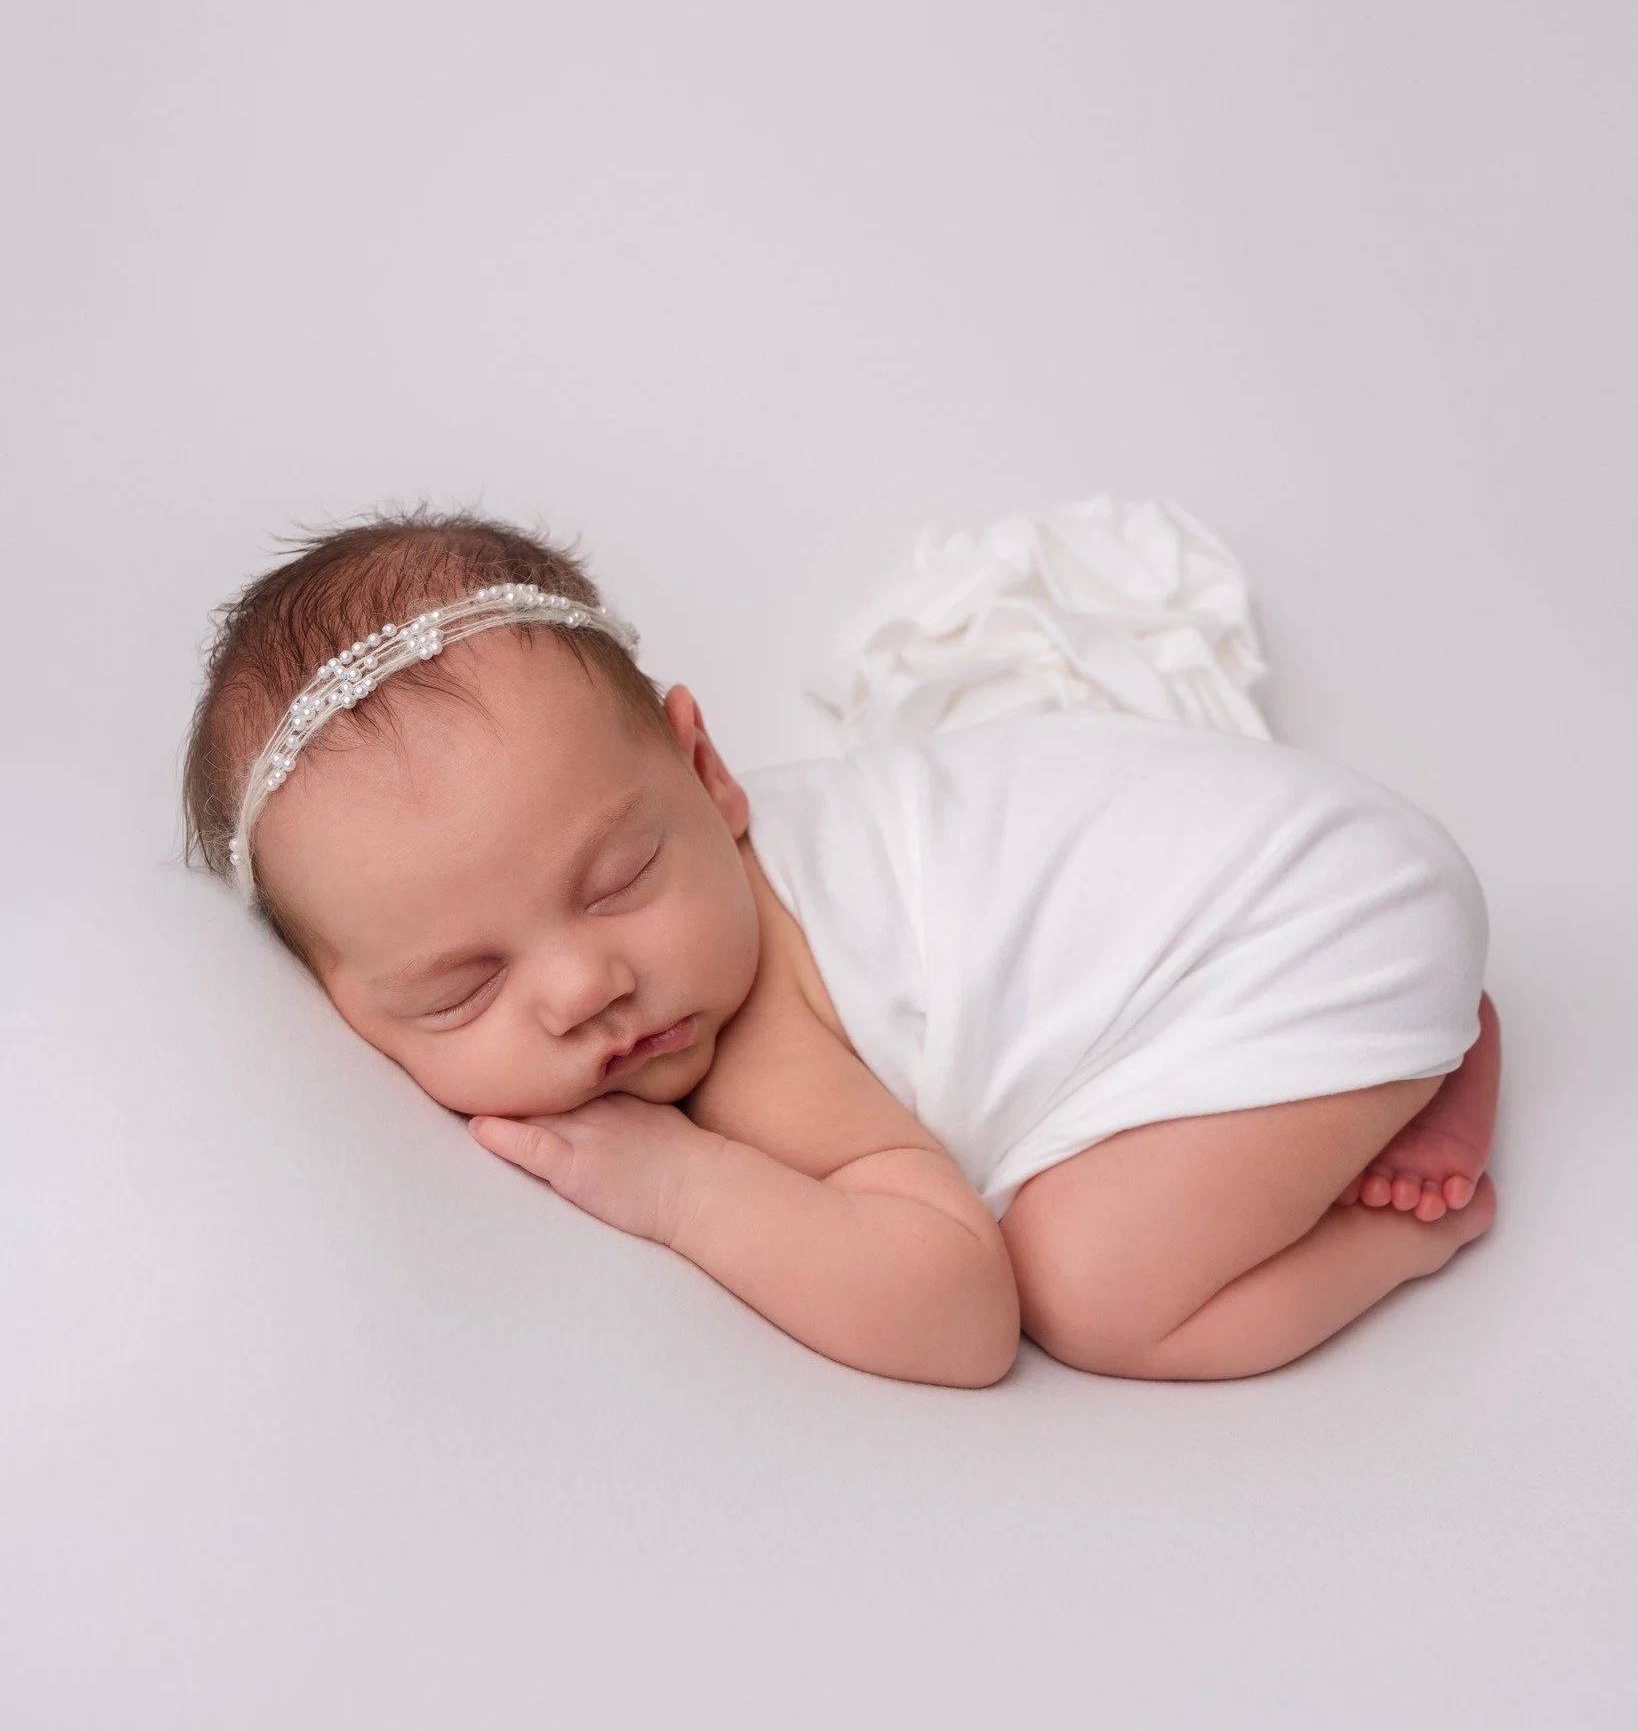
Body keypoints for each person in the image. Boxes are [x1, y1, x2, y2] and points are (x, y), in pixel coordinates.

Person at [181, 507, 1500, 1389]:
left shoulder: (757, 1029)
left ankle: (1406, 1206)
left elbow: (964, 1316)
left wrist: (683, 1188)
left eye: (621, 880)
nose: (586, 986)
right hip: (1294, 868)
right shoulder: (657, 899)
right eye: (466, 987)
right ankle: (1400, 1056)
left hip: (1322, 925)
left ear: (708, 774)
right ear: (341, 1009)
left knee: (1091, 1293)